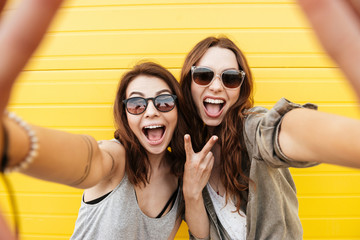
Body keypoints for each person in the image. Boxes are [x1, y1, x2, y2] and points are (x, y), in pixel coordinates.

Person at [0, 1, 188, 239]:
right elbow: (90, 158)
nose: (151, 111)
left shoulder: (181, 175)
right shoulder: (117, 159)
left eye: (163, 102)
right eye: (137, 104)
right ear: (126, 116)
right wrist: (11, 142)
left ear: (177, 110)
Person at [180, 35, 360, 239]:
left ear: (240, 88)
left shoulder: (251, 129)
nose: (216, 86)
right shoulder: (188, 153)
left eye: (230, 78)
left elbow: (282, 130)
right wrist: (191, 193)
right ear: (189, 82)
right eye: (204, 75)